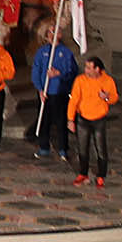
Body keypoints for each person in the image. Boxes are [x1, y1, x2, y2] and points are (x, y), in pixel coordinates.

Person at [68, 54, 120, 186]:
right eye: (86, 67)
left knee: (100, 149)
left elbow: (114, 98)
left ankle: (101, 175)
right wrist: (70, 119)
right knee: (82, 148)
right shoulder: (80, 80)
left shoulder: (107, 81)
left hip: (99, 120)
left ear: (97, 69)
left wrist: (106, 97)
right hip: (82, 119)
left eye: (89, 68)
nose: (86, 70)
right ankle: (83, 173)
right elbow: (74, 100)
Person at [31, 20, 80, 160]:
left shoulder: (66, 53)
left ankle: (63, 148)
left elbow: (72, 71)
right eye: (50, 32)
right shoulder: (41, 52)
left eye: (55, 32)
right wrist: (40, 89)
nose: (52, 34)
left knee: (61, 122)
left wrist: (59, 73)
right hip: (45, 93)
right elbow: (36, 71)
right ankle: (44, 147)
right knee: (44, 120)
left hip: (60, 92)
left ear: (60, 34)